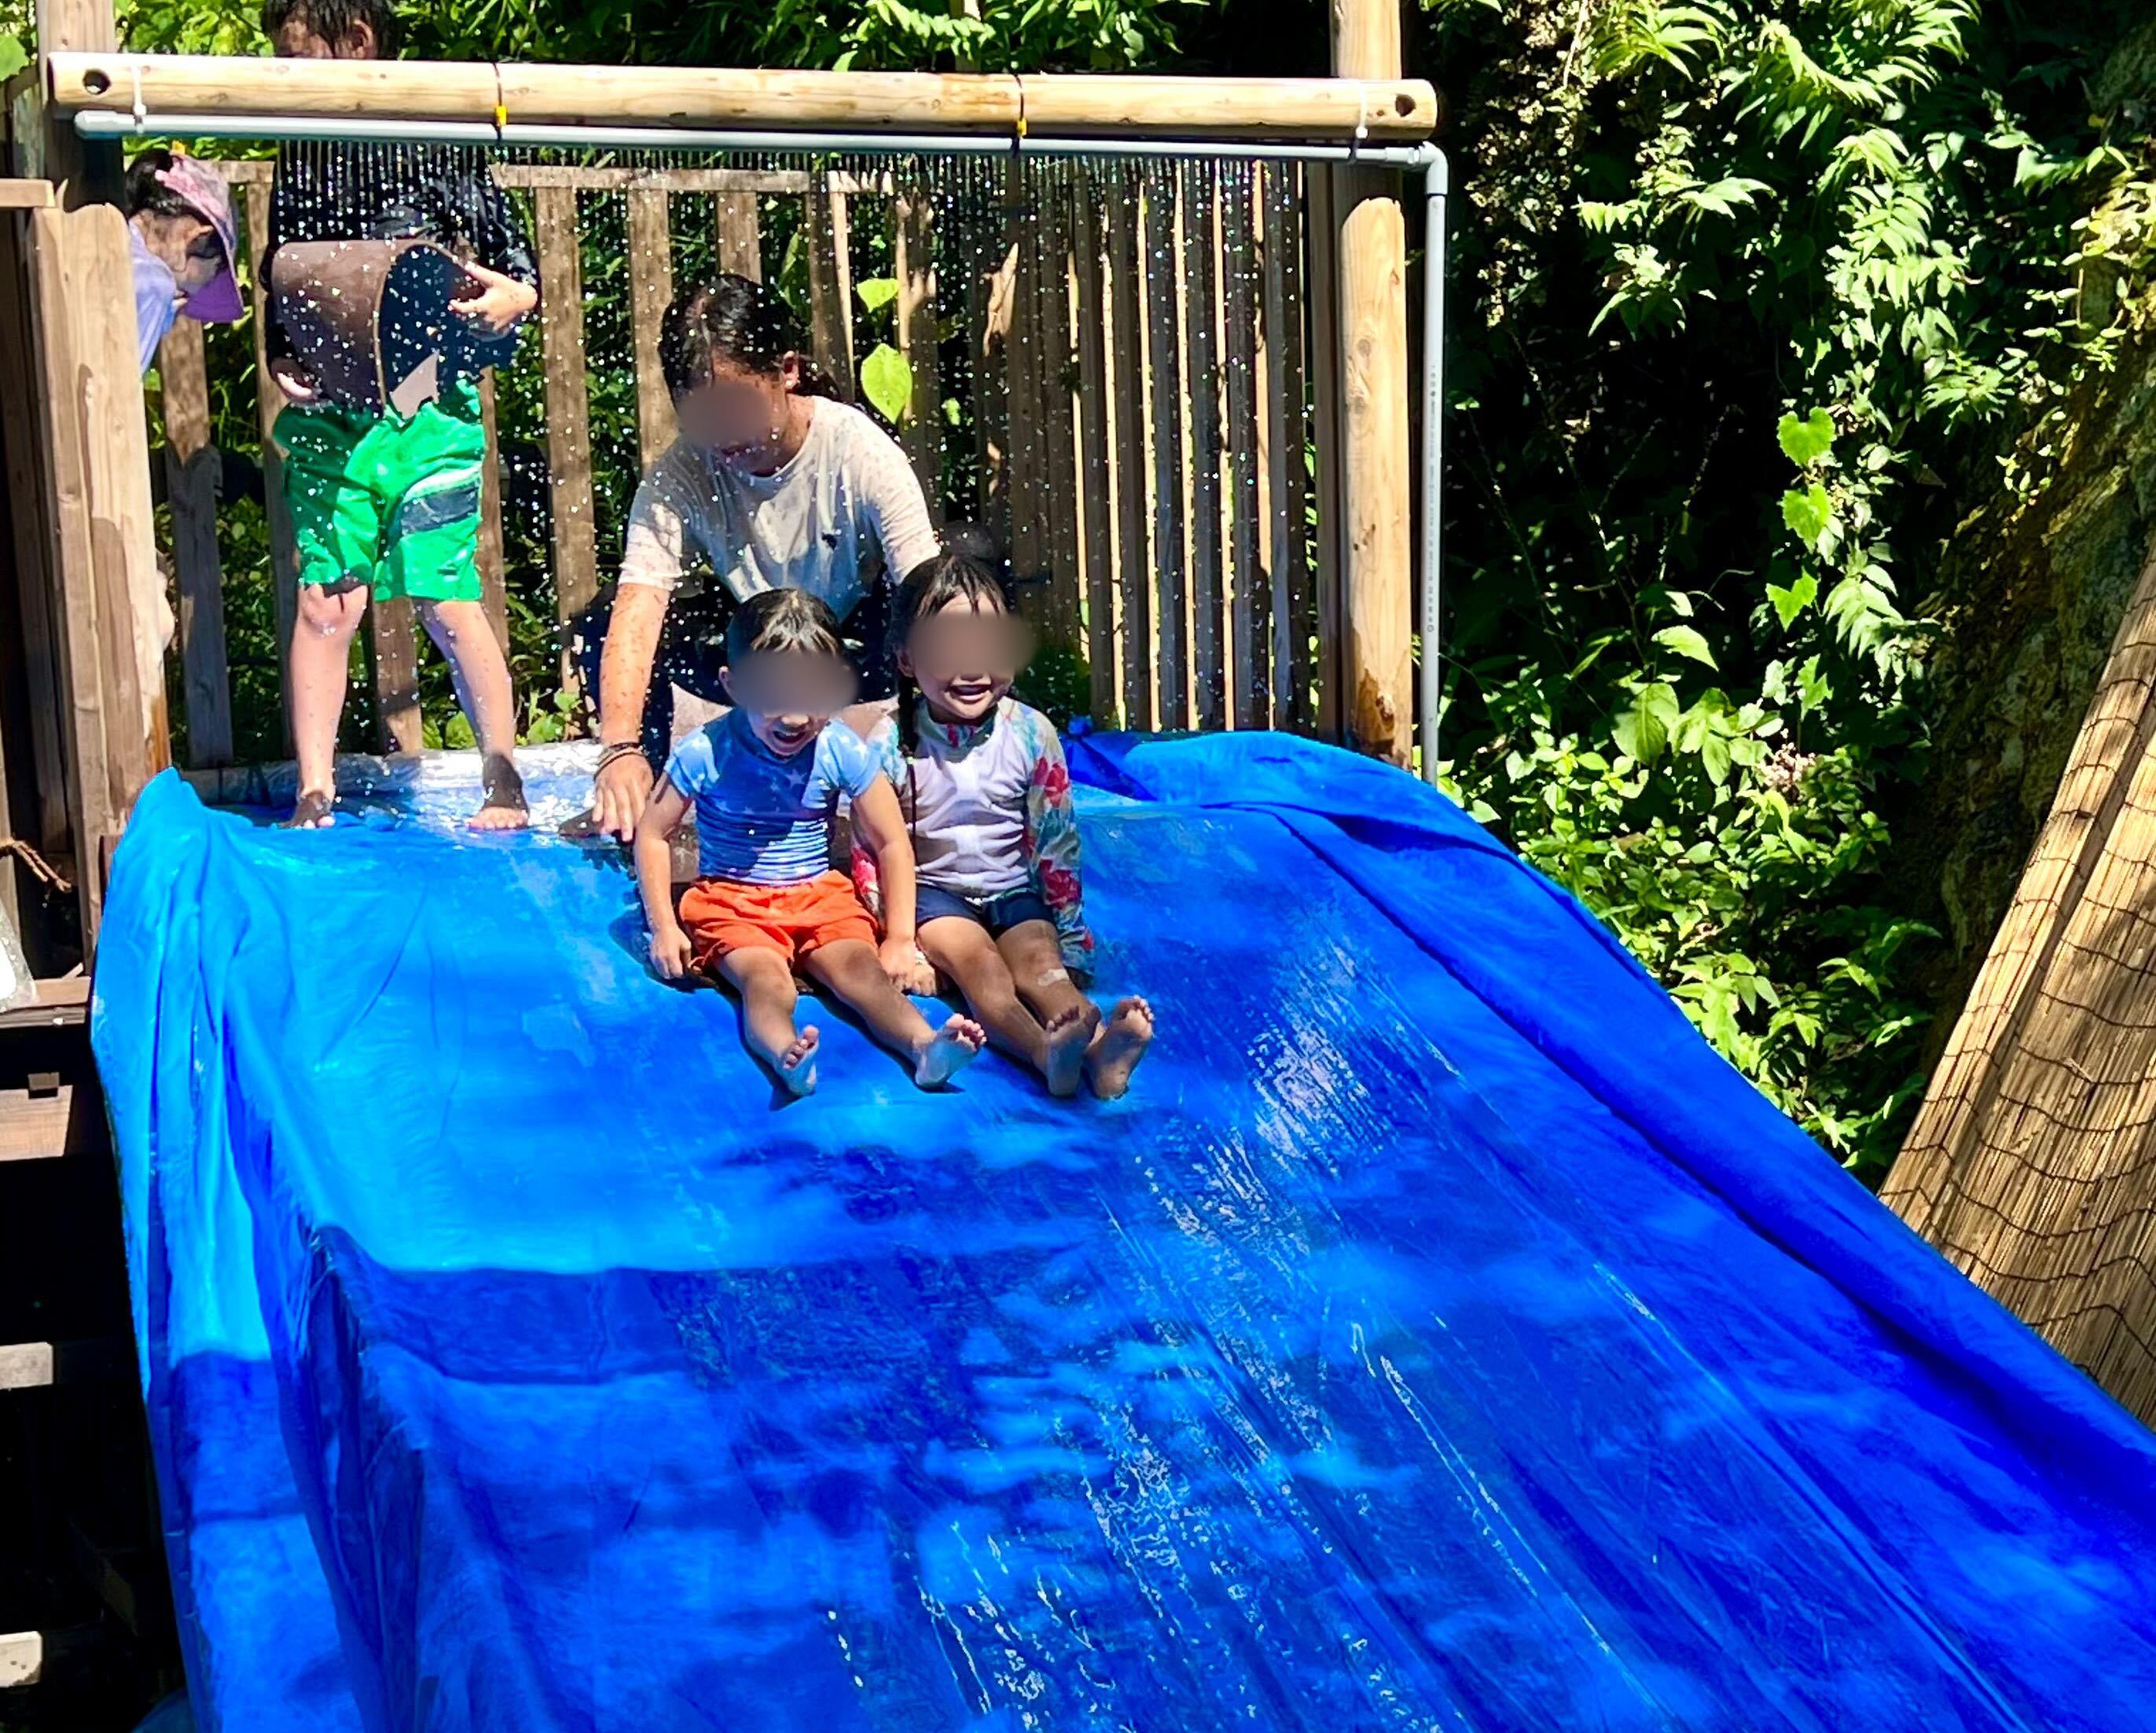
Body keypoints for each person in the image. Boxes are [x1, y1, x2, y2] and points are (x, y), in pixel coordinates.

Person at [259, 0, 538, 831]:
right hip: (333, 415)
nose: (279, 75)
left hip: (428, 405)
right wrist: (284, 359)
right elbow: (284, 283)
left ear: (358, 46)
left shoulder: (431, 138)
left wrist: (513, 295)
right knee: (325, 599)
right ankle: (316, 790)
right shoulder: (300, 158)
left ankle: (504, 778)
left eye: (292, 56)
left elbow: (518, 272)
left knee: (446, 599)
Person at [581, 274, 941, 844]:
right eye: (701, 416)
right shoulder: (683, 473)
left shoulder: (858, 449)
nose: (722, 436)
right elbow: (640, 604)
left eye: (737, 406)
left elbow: (927, 591)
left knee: (962, 576)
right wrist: (618, 746)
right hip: (758, 656)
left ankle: (954, 768)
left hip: (853, 653)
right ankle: (638, 798)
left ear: (788, 371)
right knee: (604, 618)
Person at [634, 589, 986, 1097]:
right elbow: (652, 833)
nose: (795, 716)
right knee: (765, 981)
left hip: (820, 895)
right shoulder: (706, 752)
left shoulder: (838, 748)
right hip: (731, 901)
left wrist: (900, 939)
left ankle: (924, 1045)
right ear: (734, 686)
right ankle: (786, 1054)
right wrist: (663, 928)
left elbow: (891, 841)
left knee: (863, 973)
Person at [868, 553, 1153, 1100]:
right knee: (984, 973)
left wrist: (1069, 932)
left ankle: (1098, 1054)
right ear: (906, 659)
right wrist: (898, 941)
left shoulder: (1029, 734)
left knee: (1044, 968)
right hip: (938, 897)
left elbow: (1056, 839)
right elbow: (872, 847)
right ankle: (1046, 1051)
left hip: (1013, 888)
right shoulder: (889, 742)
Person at [124, 148, 244, 375]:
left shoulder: (113, 234)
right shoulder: (154, 284)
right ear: (196, 237)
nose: (185, 302)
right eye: (183, 293)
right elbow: (121, 391)